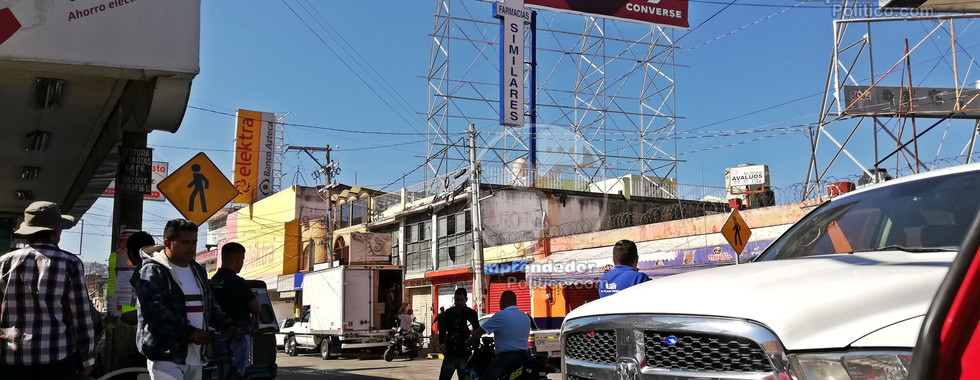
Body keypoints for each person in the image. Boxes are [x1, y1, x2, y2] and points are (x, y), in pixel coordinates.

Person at [0, 201, 100, 380]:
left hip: (12, 357)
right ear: (56, 232)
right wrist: (88, 359)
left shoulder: (5, 262)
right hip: (58, 357)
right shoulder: (70, 263)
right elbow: (81, 316)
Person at [134, 219, 232, 380]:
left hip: (195, 357)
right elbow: (156, 313)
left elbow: (209, 304)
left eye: (194, 242)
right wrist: (190, 332)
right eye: (185, 242)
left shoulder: (197, 270)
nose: (192, 247)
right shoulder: (153, 271)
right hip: (165, 356)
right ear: (167, 242)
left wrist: (227, 325)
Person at [209, 242, 260, 377]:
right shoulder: (237, 282)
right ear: (239, 259)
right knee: (235, 374)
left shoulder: (212, 281)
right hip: (236, 335)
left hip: (213, 337)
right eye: (242, 260)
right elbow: (256, 308)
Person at [466, 291, 531, 380]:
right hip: (525, 356)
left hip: (506, 359)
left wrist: (469, 340)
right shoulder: (525, 317)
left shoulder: (501, 315)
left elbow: (479, 332)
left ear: (502, 302)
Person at [437, 288, 479, 380]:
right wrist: (442, 343)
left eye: (461, 300)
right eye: (457, 300)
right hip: (450, 353)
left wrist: (475, 347)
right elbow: (442, 329)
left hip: (465, 354)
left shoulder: (471, 314)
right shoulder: (449, 313)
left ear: (466, 300)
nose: (459, 302)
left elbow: (477, 331)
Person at [122, 231, 156, 325]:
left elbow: (155, 306)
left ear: (132, 252)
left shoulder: (144, 271)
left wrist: (135, 315)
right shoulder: (160, 266)